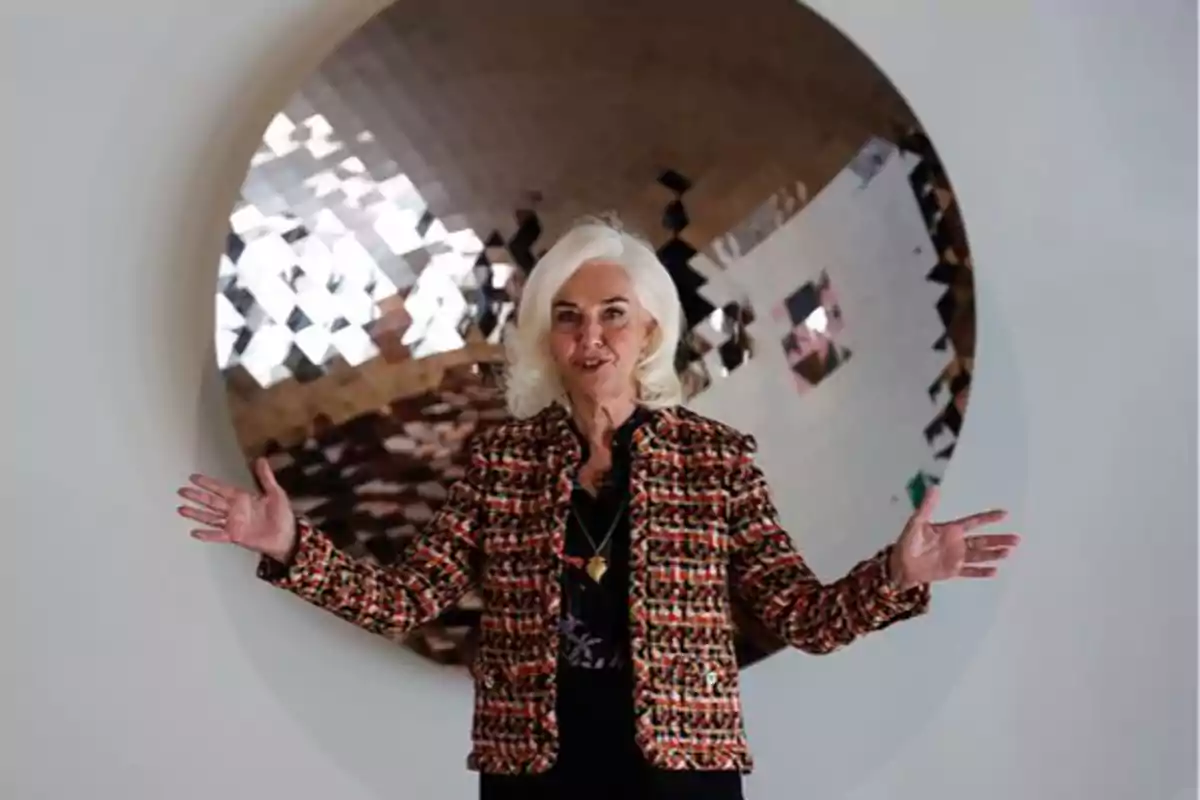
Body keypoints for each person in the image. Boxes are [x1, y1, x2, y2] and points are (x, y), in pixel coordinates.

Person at [177, 216, 1020, 799]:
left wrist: (899, 573)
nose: (592, 339)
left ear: (650, 330)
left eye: (615, 316)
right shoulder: (501, 461)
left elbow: (801, 615)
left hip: (680, 770)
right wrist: (292, 546)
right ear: (548, 336)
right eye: (570, 318)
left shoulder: (712, 461)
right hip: (534, 770)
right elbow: (407, 600)